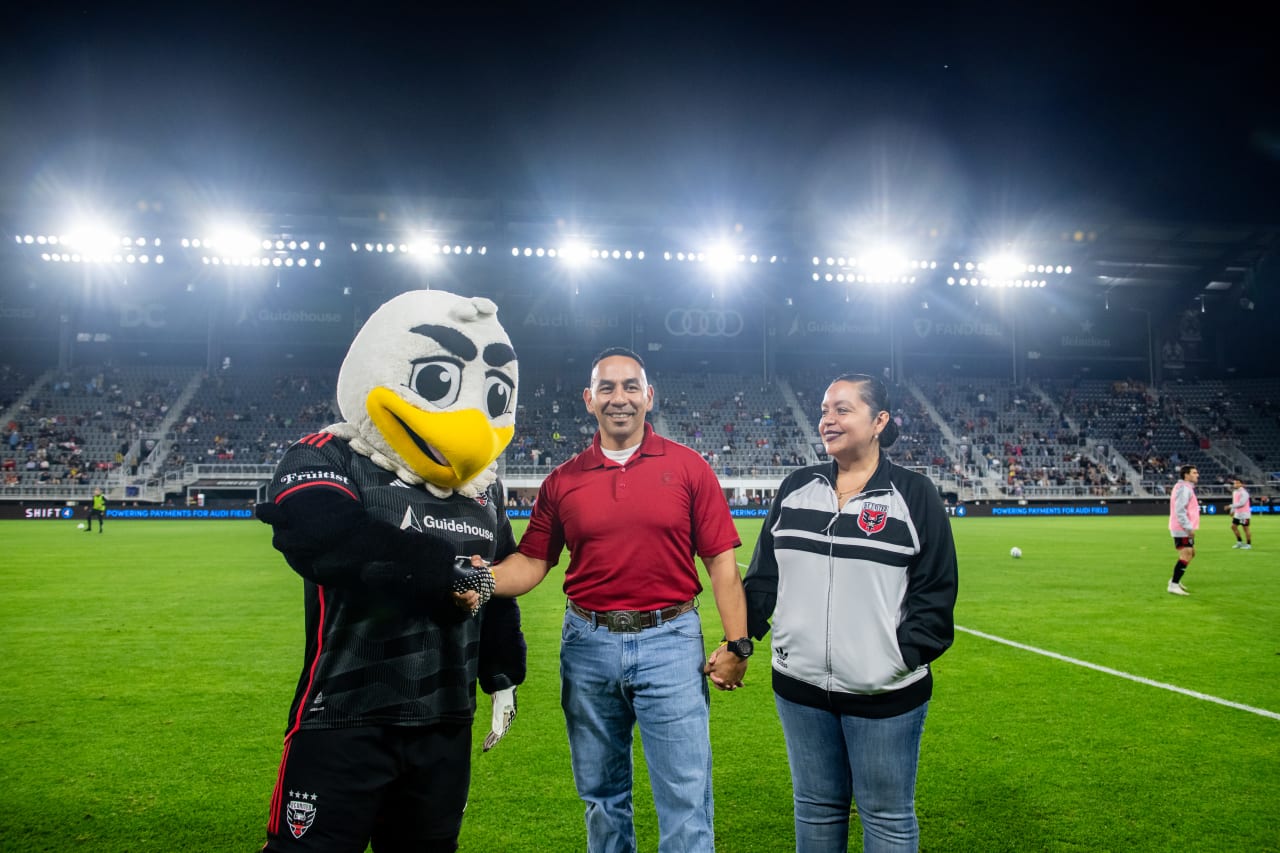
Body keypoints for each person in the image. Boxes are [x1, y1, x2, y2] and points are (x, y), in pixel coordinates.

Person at [254, 290, 526, 852]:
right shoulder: (330, 454)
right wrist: (446, 575)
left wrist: (502, 674)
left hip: (445, 720)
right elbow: (324, 537)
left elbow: (496, 581)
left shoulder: (484, 486)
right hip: (345, 715)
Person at [488, 347, 749, 853]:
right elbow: (532, 564)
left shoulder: (689, 467)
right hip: (587, 646)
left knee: (686, 797)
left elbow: (721, 563)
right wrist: (478, 581)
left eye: (631, 386)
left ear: (649, 397)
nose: (619, 398)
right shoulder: (562, 480)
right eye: (606, 388)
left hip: (671, 642)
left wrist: (738, 645)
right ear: (589, 400)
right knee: (602, 797)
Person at [740, 373, 957, 853]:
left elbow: (936, 591)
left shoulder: (914, 495)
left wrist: (899, 657)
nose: (827, 420)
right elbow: (762, 580)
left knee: (887, 819)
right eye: (823, 410)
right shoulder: (796, 487)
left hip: (884, 691)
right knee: (816, 811)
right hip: (799, 690)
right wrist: (742, 640)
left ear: (879, 421)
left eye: (842, 409)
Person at [1167, 464, 1200, 595]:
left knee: (1191, 553)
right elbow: (1180, 510)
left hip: (1182, 526)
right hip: (1181, 528)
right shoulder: (1184, 489)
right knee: (1186, 553)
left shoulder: (1184, 487)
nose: (1197, 475)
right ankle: (1173, 585)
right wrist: (1188, 527)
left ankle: (1174, 580)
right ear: (1186, 475)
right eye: (1194, 472)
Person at [1230, 477, 1253, 549]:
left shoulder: (1244, 493)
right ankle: (1239, 542)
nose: (1235, 484)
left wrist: (1230, 506)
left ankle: (1248, 544)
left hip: (1244, 514)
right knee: (1233, 527)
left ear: (1241, 484)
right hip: (1237, 513)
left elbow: (1241, 503)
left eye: (1237, 483)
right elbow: (1235, 502)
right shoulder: (1235, 492)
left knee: (1245, 528)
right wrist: (1232, 510)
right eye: (1234, 483)